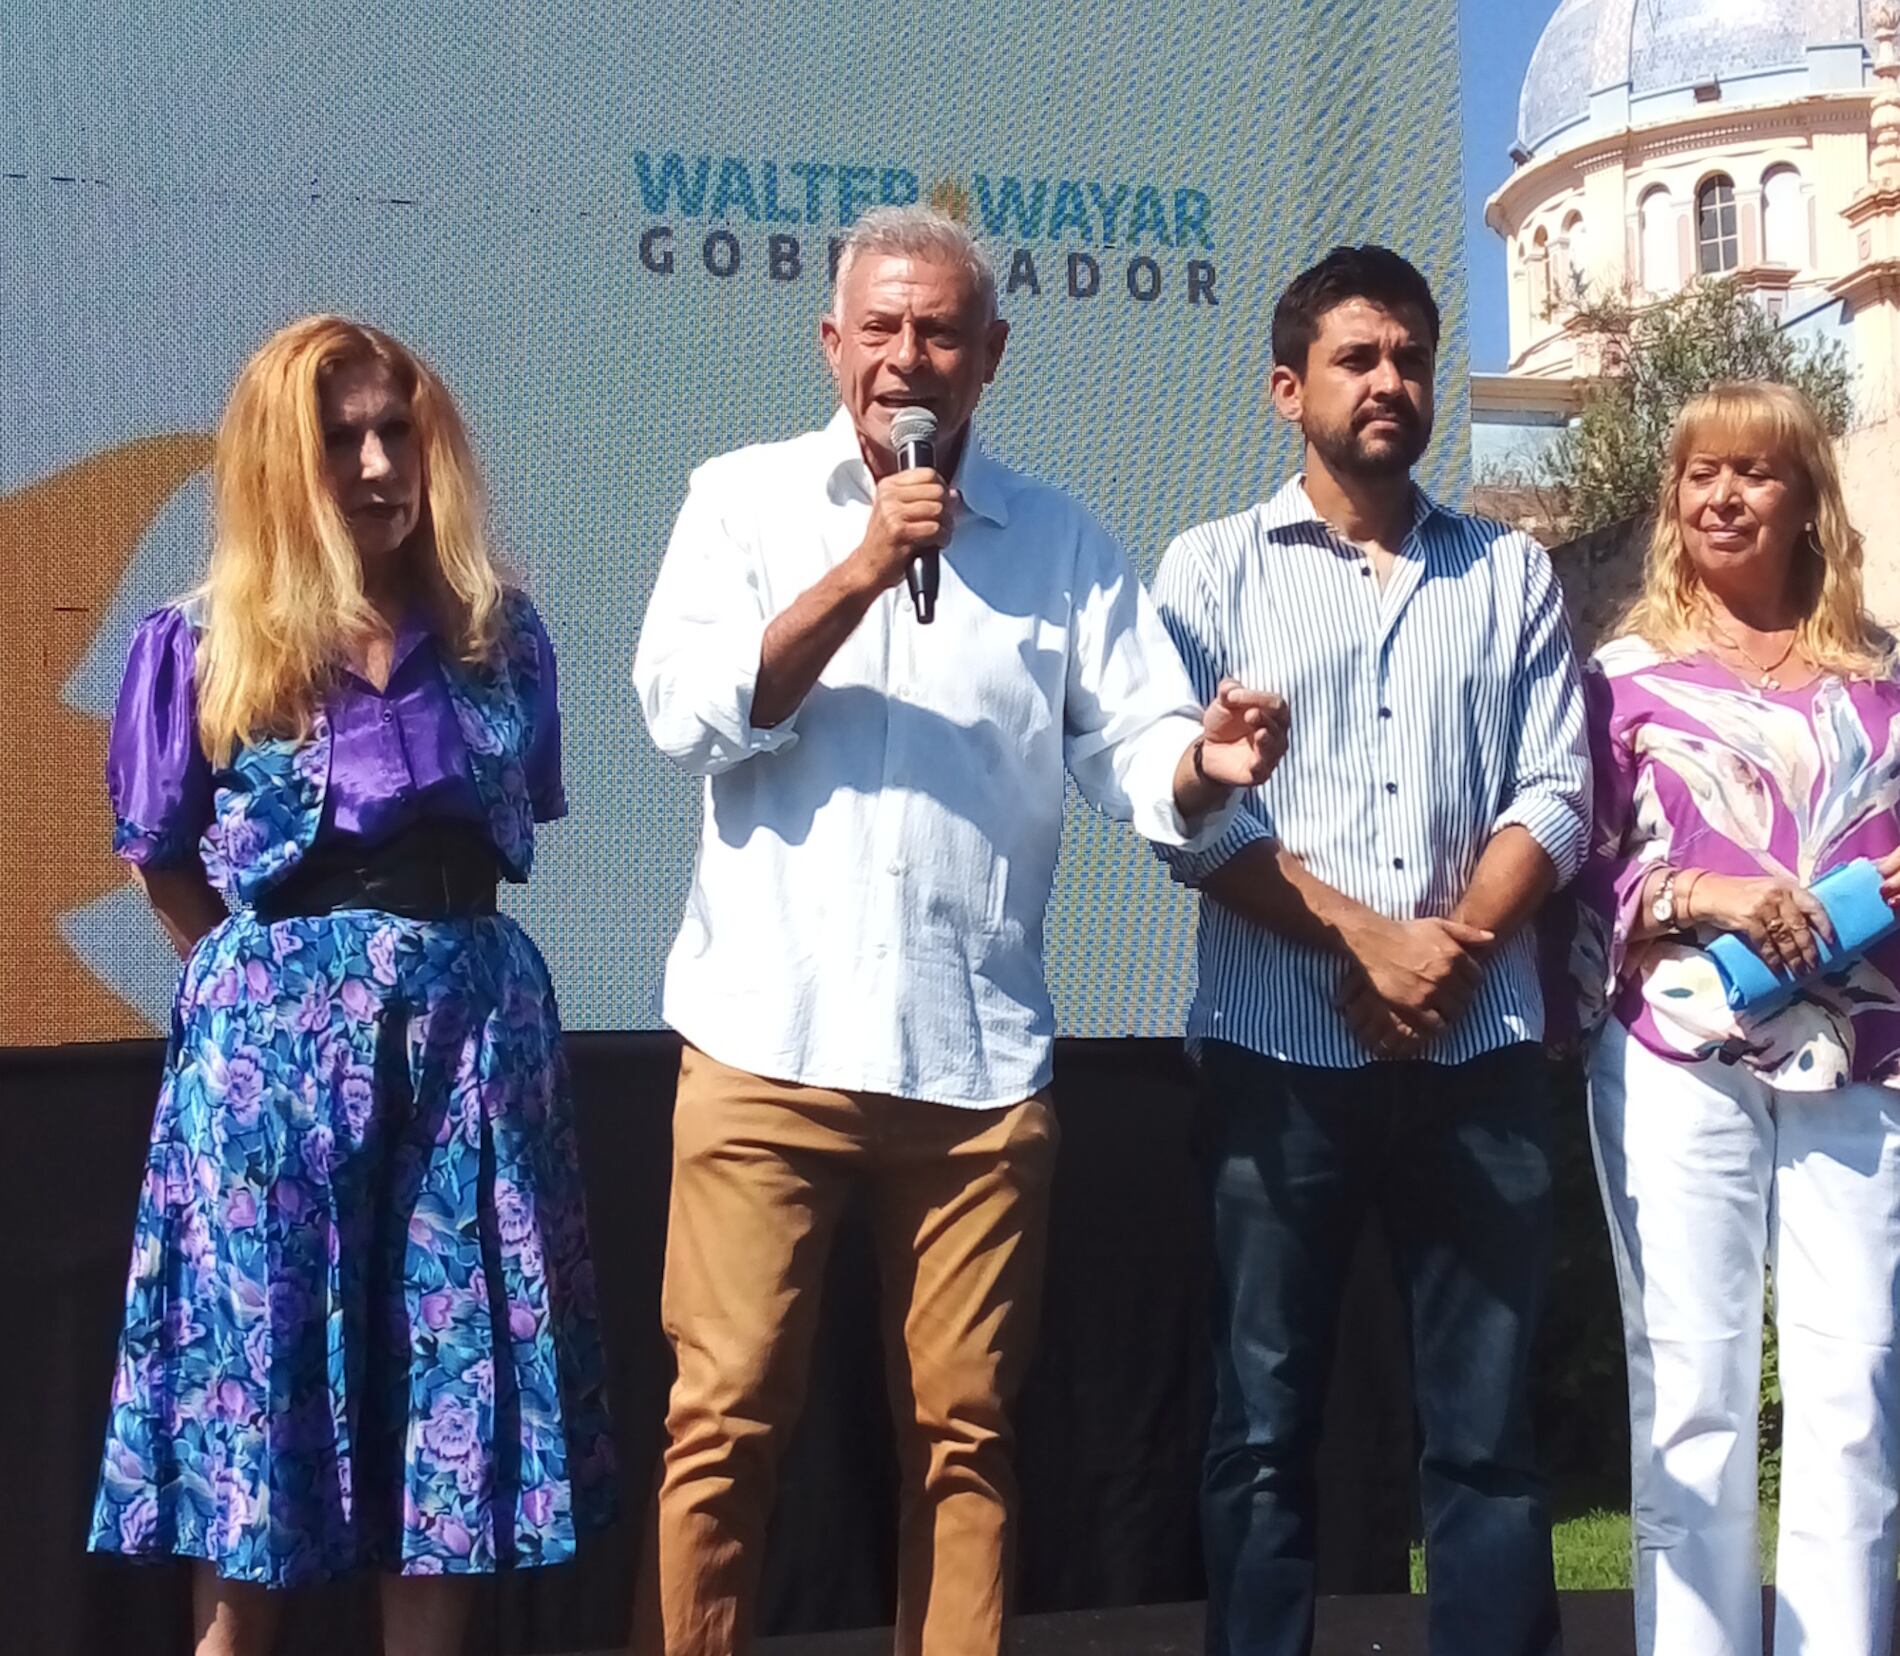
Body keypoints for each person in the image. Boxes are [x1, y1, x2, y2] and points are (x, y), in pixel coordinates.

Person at [630, 203, 1288, 1656]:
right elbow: (686, 713)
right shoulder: (738, 502)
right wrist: (864, 565)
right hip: (764, 1045)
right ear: (831, 345)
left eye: (940, 332)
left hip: (976, 1066)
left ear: (992, 355)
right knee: (721, 1424)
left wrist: (1208, 762)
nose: (908, 359)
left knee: (968, 1440)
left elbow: (1137, 749)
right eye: (881, 329)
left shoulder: (1063, 543)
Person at [86, 317, 615, 1656]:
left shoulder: (498, 635)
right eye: (344, 438)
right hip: (273, 1068)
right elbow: (165, 870)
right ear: (281, 461)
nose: (382, 464)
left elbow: (519, 824)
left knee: (448, 1401)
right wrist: (273, 1000)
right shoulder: (196, 646)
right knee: (260, 1395)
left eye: (400, 432)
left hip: (473, 1045)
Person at [1151, 245, 1589, 1656]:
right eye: (1358, 357)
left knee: (1486, 1442)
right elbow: (1183, 818)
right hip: (1280, 1059)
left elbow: (1557, 791)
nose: (1390, 380)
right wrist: (1366, 941)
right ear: (1288, 389)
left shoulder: (1507, 569)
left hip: (1482, 1059)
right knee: (1263, 1430)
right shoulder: (1209, 570)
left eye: (1408, 356)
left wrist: (1449, 948)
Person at [1562, 381, 1900, 1656]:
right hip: (1676, 1055)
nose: (1722, 496)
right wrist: (1700, 889)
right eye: (1699, 474)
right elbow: (1573, 861)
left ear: (1807, 497)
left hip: (1864, 1056)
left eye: (1754, 473)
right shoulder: (1617, 678)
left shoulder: (1882, 677)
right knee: (1693, 1399)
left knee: (1851, 1393)